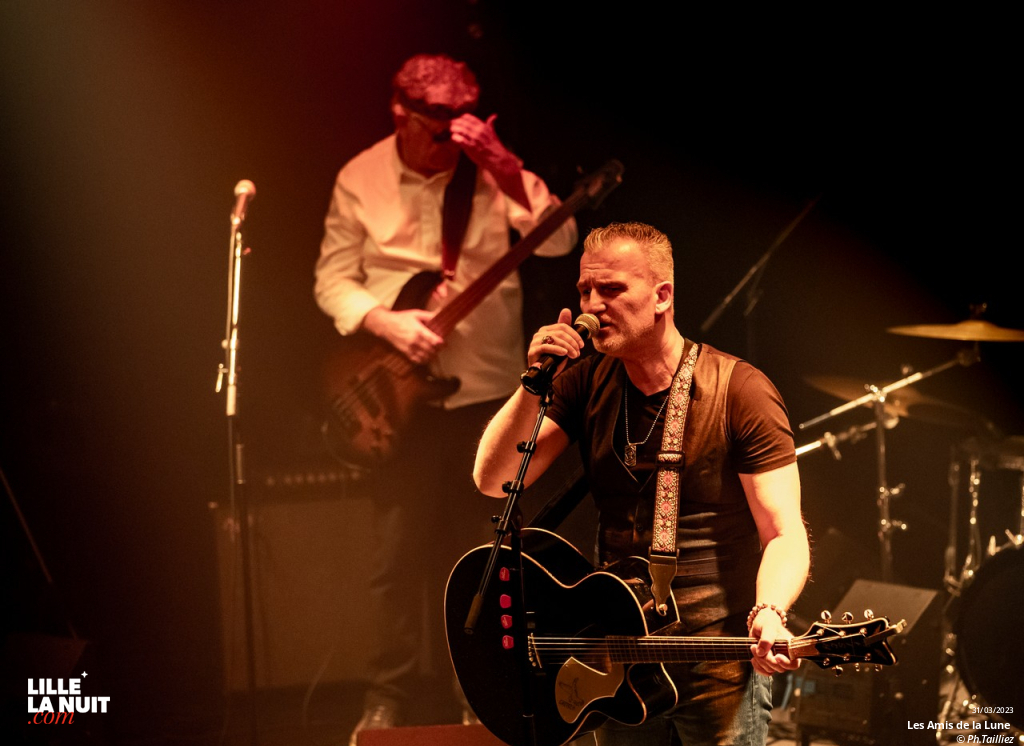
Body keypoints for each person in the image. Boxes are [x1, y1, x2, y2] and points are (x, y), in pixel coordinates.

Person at [314, 53, 577, 744]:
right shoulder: (360, 178)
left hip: (488, 395)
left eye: (465, 127)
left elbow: (562, 240)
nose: (451, 145)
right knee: (394, 560)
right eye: (439, 132)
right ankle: (388, 696)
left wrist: (504, 166)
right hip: (397, 404)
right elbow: (332, 281)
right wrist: (385, 322)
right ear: (400, 116)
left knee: (488, 557)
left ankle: (481, 693)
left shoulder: (492, 171)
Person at [473, 221, 810, 745]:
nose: (591, 306)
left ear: (662, 296)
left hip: (714, 667)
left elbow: (784, 533)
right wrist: (531, 383)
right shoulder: (582, 380)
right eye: (585, 290)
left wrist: (769, 613)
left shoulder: (738, 390)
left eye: (610, 290)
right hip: (618, 663)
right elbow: (492, 479)